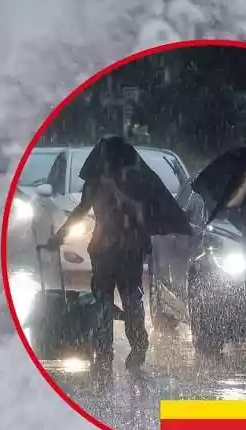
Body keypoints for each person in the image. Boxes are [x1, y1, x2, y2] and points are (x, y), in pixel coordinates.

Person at [47, 136, 188, 387]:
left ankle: (103, 354)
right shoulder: (136, 180)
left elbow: (81, 210)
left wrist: (60, 236)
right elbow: (151, 208)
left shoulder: (96, 181)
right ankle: (138, 349)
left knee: (102, 301)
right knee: (132, 297)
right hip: (130, 248)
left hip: (103, 249)